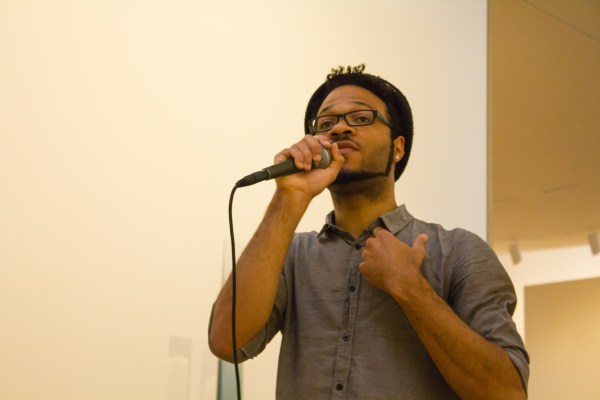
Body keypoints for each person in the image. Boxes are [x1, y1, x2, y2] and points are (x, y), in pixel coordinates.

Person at [209, 64, 529, 399]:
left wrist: (410, 287)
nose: (340, 129)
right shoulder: (290, 256)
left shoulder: (459, 251)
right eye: (327, 123)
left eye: (361, 118)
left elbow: (507, 392)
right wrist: (289, 197)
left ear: (398, 148)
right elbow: (226, 342)